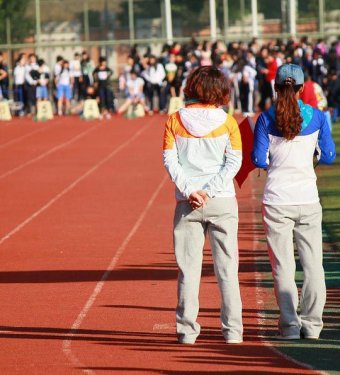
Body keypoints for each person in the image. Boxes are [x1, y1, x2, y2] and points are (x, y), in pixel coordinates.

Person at [252, 64, 336, 340]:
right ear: (302, 88)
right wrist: (310, 158)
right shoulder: (319, 117)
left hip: (277, 199)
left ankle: (289, 326)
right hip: (307, 199)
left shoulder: (266, 118)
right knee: (313, 265)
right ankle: (312, 326)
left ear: (276, 88)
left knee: (283, 266)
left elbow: (258, 159)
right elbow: (328, 156)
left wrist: (274, 160)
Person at [163, 66, 243, 345]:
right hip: (221, 200)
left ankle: (187, 331)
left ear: (191, 87)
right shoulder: (228, 122)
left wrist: (191, 190)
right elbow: (234, 162)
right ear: (220, 90)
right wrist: (209, 191)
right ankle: (233, 331)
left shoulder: (174, 119)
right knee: (227, 270)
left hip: (188, 203)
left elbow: (170, 161)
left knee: (188, 270)